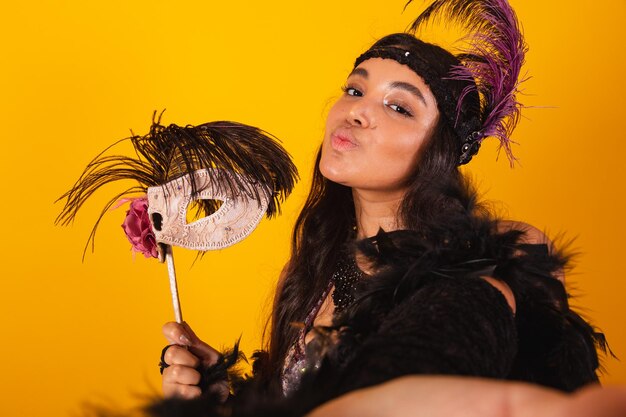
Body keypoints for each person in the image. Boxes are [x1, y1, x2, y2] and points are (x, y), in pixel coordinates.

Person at [154, 1, 618, 416]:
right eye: (355, 91)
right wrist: (224, 398)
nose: (356, 111)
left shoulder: (501, 261)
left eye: (398, 107)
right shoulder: (312, 273)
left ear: (438, 150)